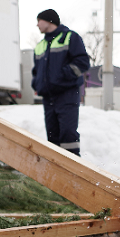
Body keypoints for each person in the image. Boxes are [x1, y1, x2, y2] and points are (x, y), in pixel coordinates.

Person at [32, 9, 91, 156]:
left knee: (68, 135)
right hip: (48, 97)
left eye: (39, 20)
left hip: (67, 94)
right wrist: (37, 83)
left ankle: (73, 171)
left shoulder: (70, 37)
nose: (37, 24)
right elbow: (36, 70)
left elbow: (82, 62)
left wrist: (63, 75)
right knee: (53, 137)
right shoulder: (40, 45)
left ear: (49, 21)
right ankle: (56, 173)